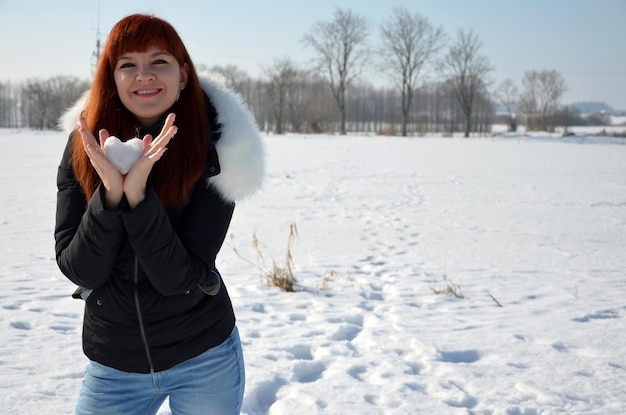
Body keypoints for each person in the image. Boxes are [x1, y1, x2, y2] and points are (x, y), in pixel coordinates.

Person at [55, 13, 264, 415]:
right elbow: (81, 269)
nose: (144, 76)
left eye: (159, 62)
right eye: (128, 65)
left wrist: (138, 196)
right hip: (114, 365)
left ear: (183, 75)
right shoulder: (83, 149)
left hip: (204, 358)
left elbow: (178, 278)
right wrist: (110, 196)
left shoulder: (219, 150)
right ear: (112, 78)